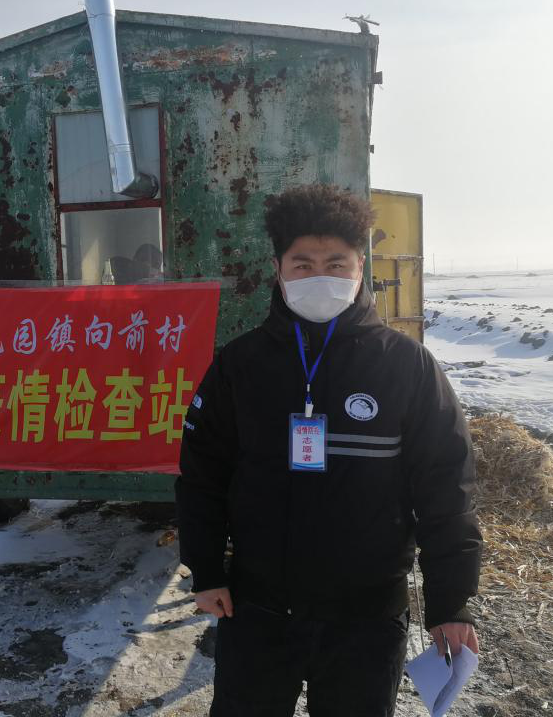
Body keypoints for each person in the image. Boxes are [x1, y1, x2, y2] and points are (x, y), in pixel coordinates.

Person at [175, 184, 482, 717]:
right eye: (303, 264)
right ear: (278, 270)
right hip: (258, 608)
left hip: (367, 617)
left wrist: (450, 602)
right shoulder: (240, 365)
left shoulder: (406, 366)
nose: (320, 277)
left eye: (336, 264)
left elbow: (446, 487)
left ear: (361, 267)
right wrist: (206, 569)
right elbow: (202, 474)